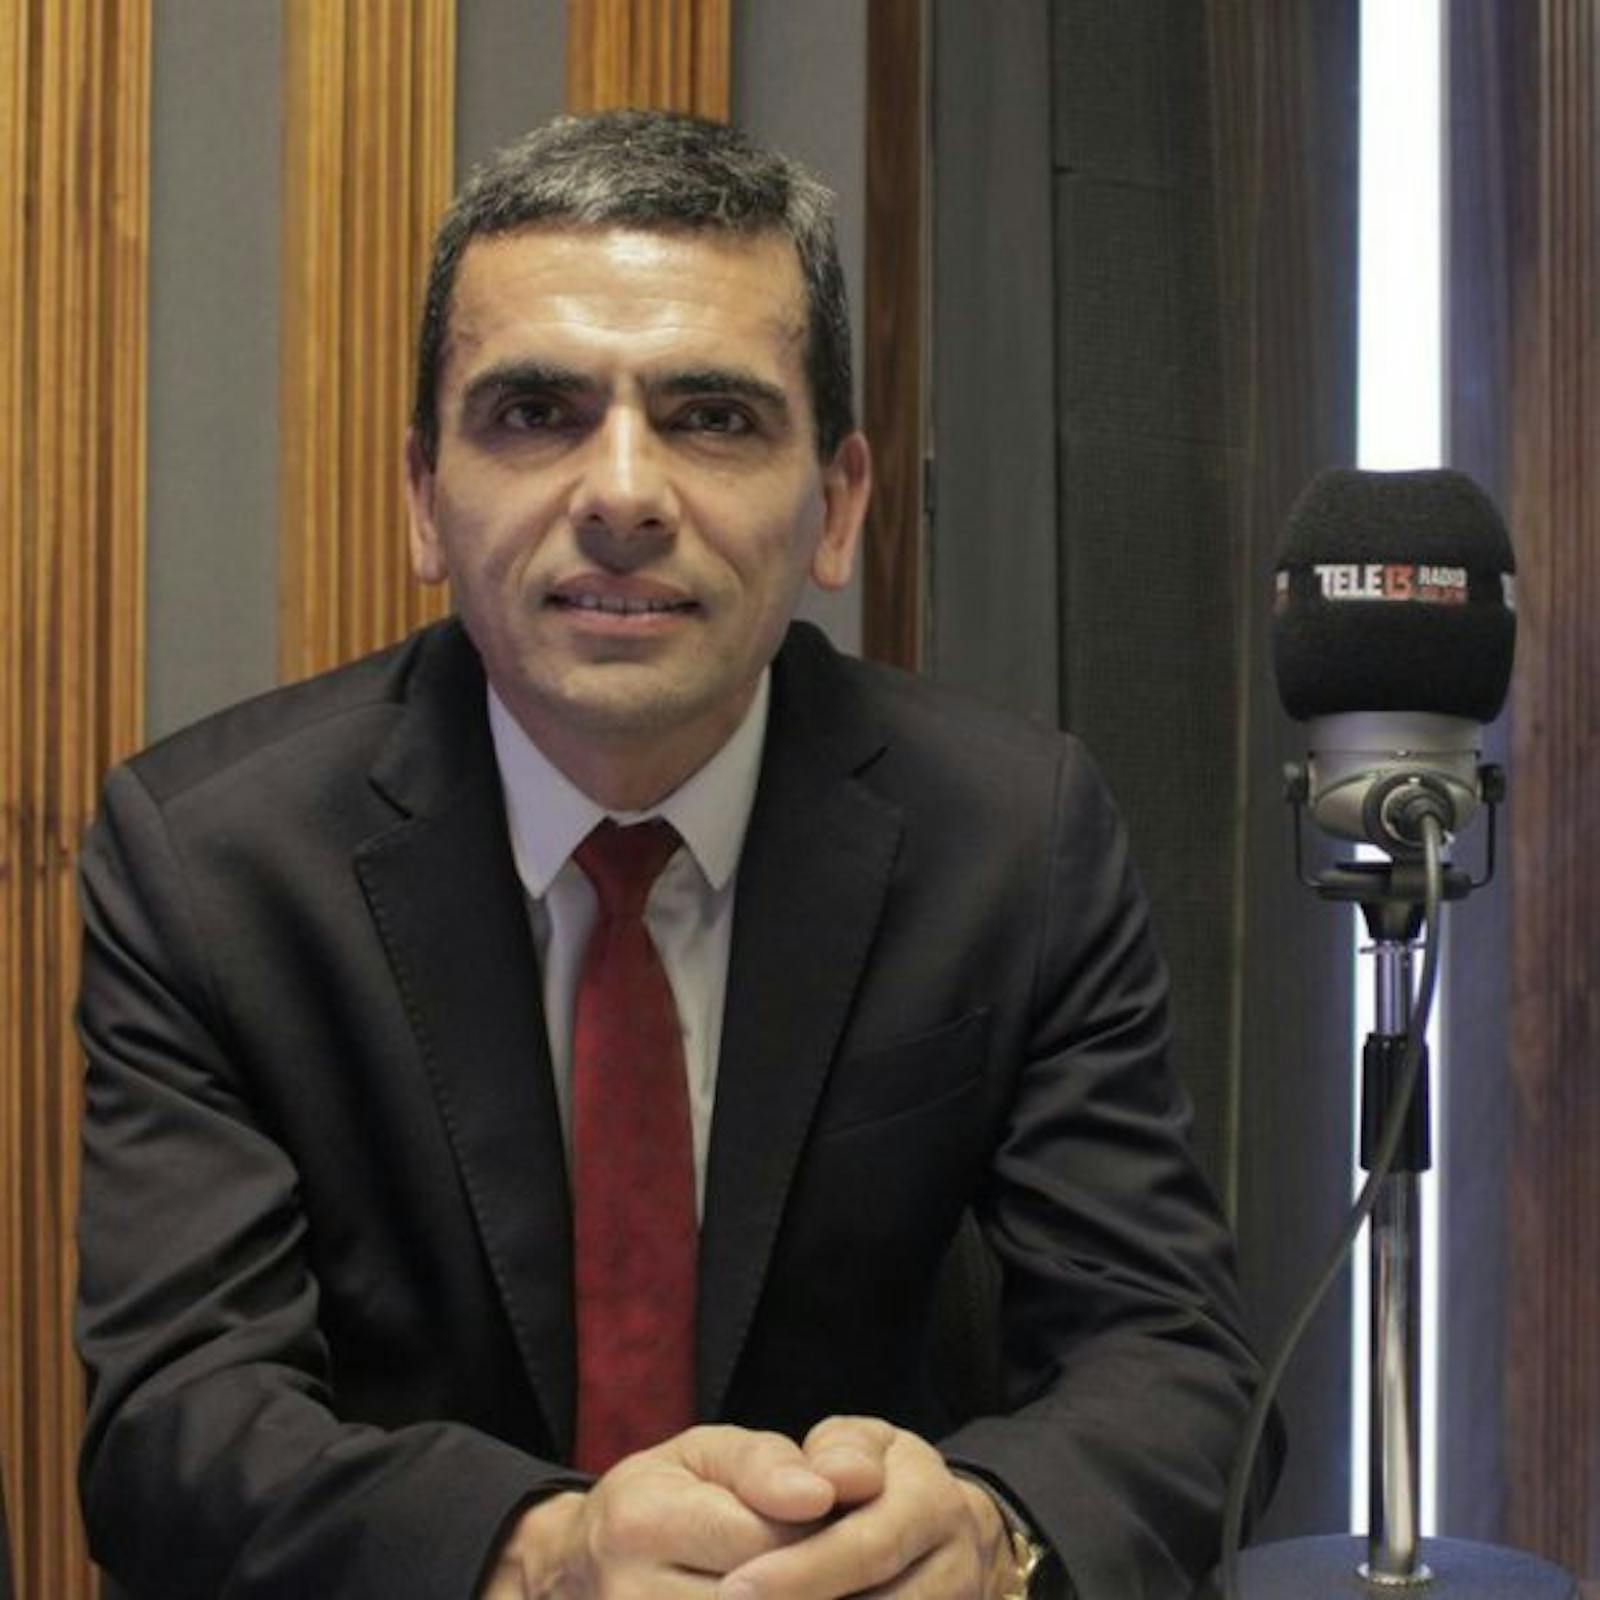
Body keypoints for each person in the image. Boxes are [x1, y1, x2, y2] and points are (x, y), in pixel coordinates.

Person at [75, 111, 1271, 1599]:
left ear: (836, 505)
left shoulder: (1014, 836)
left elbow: (1174, 1358)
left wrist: (990, 1529)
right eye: (535, 412)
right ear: (424, 500)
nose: (624, 495)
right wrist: (544, 1556)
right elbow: (172, 1430)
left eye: (711, 417)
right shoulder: (212, 864)